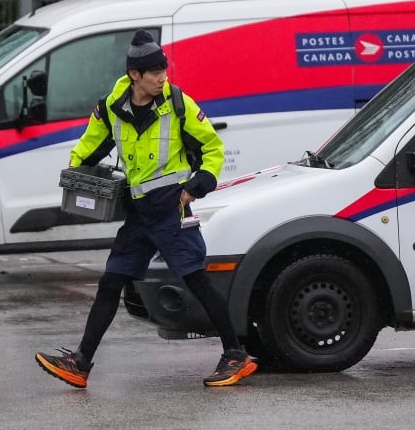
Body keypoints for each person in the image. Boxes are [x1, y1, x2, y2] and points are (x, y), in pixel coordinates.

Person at [34, 29, 257, 388]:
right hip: (138, 212)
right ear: (135, 75)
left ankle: (236, 355)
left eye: (164, 71)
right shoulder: (112, 106)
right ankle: (80, 363)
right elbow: (88, 148)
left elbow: (213, 149)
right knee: (111, 282)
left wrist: (193, 190)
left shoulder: (178, 103)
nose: (162, 78)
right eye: (155, 73)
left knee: (196, 280)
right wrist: (76, 176)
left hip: (171, 207)